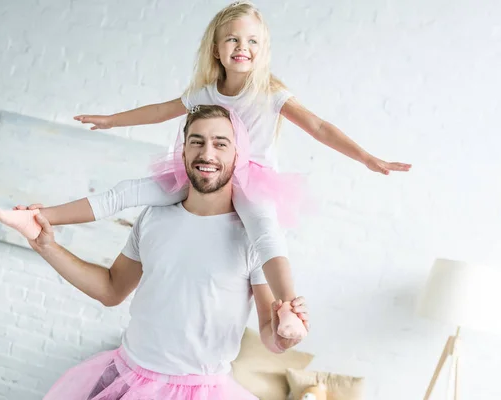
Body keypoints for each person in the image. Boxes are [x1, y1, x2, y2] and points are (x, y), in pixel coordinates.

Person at [0, 1, 410, 340]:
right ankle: (39, 217)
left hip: (252, 176)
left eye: (252, 41)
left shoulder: (270, 92)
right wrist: (112, 120)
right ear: (216, 48)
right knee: (128, 191)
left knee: (264, 230)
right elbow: (159, 110)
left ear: (263, 50)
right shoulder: (204, 92)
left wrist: (367, 157)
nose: (241, 47)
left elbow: (319, 127)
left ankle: (289, 309)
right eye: (232, 39)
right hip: (205, 171)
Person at [30, 105, 310, 399]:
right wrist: (48, 247)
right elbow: (111, 289)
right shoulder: (154, 218)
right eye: (197, 141)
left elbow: (270, 330)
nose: (207, 153)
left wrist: (282, 337)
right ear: (184, 151)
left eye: (220, 143)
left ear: (238, 156)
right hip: (124, 380)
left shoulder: (252, 237)